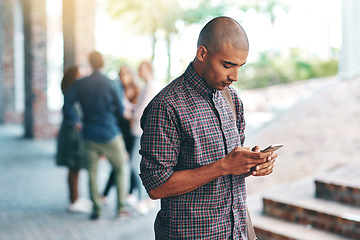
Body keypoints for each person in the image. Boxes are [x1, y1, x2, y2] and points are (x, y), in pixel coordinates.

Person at [139, 16, 278, 239]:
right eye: (227, 65)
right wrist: (223, 166)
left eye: (240, 66)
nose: (235, 76)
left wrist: (253, 164)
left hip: (237, 231)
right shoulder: (166, 106)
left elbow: (231, 167)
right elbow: (156, 186)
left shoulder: (232, 99)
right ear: (202, 54)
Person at [63, 51, 129, 220]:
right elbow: (121, 110)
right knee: (120, 169)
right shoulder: (111, 83)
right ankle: (120, 208)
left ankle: (96, 210)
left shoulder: (80, 83)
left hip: (89, 134)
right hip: (110, 132)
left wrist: (77, 120)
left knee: (91, 173)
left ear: (90, 63)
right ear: (103, 63)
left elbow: (67, 104)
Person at [101, 65, 141, 205]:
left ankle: (131, 192)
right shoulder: (117, 90)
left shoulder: (137, 90)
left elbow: (140, 111)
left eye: (125, 74)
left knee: (131, 164)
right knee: (117, 163)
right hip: (120, 131)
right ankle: (105, 193)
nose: (123, 77)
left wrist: (131, 114)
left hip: (133, 133)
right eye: (121, 74)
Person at [129, 61, 163, 214]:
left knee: (135, 165)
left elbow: (142, 109)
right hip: (138, 130)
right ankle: (146, 199)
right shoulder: (146, 86)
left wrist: (130, 113)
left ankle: (145, 199)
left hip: (141, 131)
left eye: (141, 69)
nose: (138, 71)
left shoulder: (151, 86)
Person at [56, 65, 91, 213]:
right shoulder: (71, 92)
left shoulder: (72, 91)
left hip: (73, 132)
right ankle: (73, 200)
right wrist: (77, 121)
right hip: (72, 133)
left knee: (75, 167)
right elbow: (69, 110)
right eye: (79, 75)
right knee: (73, 166)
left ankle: (76, 198)